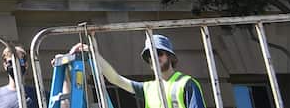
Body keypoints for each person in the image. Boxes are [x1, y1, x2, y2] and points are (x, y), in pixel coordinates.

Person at [69, 35, 205, 108]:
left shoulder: (186, 83)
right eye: (150, 54)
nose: (155, 57)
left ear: (170, 56)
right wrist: (93, 53)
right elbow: (115, 79)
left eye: (159, 53)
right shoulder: (149, 88)